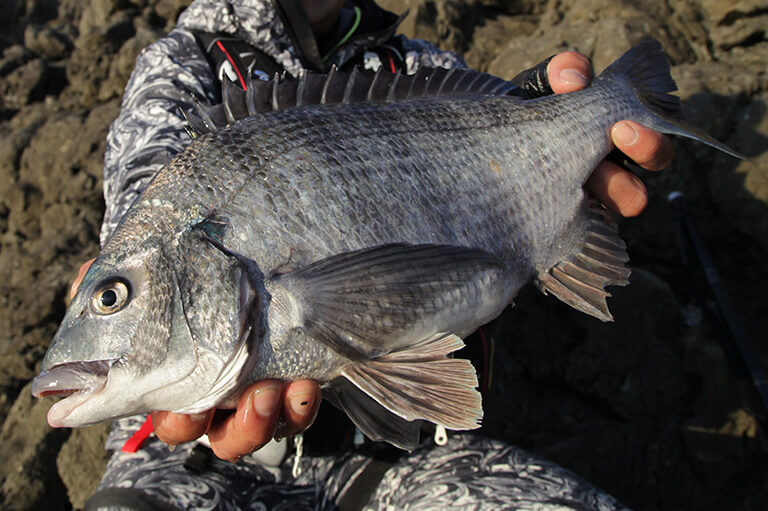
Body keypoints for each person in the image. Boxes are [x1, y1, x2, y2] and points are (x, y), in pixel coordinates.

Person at [73, 0, 674, 509]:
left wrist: (557, 118)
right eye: (113, 296)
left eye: (111, 298)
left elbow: (497, 124)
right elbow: (147, 198)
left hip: (403, 451)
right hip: (194, 457)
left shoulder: (416, 63)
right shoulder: (183, 60)